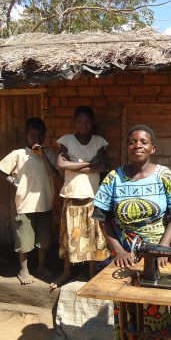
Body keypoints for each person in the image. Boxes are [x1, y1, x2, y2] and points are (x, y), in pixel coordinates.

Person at [92, 124, 171, 340]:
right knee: (127, 308)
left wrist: (164, 249)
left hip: (159, 251)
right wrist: (118, 250)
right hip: (126, 255)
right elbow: (101, 216)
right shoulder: (114, 178)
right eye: (132, 141)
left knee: (160, 307)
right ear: (127, 146)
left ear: (153, 148)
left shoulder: (166, 176)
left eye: (143, 142)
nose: (137, 146)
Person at [51, 106, 109, 290]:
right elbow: (60, 164)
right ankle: (67, 272)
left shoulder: (98, 142)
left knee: (91, 238)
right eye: (79, 121)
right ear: (73, 123)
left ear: (92, 123)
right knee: (70, 238)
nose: (83, 125)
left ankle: (91, 273)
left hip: (91, 200)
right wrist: (87, 163)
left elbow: (103, 166)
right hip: (71, 199)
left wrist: (73, 165)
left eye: (87, 121)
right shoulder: (66, 140)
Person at [0, 118, 60, 285]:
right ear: (26, 135)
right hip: (25, 203)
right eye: (32, 135)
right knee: (24, 238)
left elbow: (55, 174)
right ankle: (23, 269)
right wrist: (14, 182)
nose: (36, 138)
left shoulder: (50, 154)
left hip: (45, 203)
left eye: (40, 135)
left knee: (43, 239)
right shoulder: (18, 154)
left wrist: (43, 154)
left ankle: (40, 266)